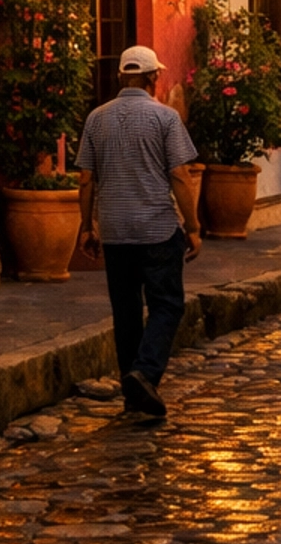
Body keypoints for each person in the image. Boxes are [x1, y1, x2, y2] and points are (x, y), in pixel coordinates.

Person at [76, 44, 202, 419]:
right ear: (153, 78)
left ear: (120, 77)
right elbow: (180, 175)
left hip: (115, 230)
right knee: (167, 304)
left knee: (126, 310)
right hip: (158, 228)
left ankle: (133, 393)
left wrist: (87, 226)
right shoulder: (165, 119)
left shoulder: (96, 119)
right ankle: (144, 373)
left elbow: (85, 179)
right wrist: (193, 226)